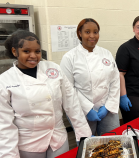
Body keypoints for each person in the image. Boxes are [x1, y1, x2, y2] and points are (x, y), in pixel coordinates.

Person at [0, 30, 92, 158]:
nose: (33, 56)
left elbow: (72, 103)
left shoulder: (53, 68)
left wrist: (84, 134)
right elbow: (4, 126)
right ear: (15, 51)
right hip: (29, 144)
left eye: (37, 51)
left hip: (58, 139)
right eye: (26, 51)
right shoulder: (5, 81)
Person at [60, 18, 120, 136]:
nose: (92, 36)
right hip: (82, 110)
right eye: (87, 32)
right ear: (79, 33)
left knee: (113, 141)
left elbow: (115, 80)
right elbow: (68, 89)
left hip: (106, 107)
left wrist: (108, 106)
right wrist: (87, 109)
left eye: (95, 32)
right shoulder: (69, 57)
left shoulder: (106, 53)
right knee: (88, 147)